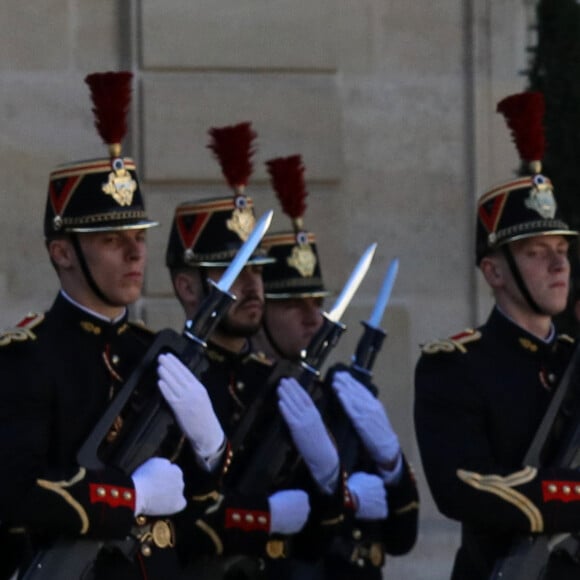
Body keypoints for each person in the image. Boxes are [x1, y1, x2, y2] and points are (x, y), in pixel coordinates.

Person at [0, 71, 191, 580]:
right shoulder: (29, 356)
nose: (135, 252)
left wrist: (216, 447)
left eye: (139, 236)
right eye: (112, 240)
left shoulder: (159, 354)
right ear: (63, 253)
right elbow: (14, 488)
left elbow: (203, 497)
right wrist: (130, 497)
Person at [414, 91, 580, 580]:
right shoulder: (457, 366)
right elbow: (463, 487)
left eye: (561, 249)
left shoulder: (572, 356)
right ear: (495, 272)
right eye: (534, 252)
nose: (557, 263)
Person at [253, 155, 418, 579]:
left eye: (318, 304)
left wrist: (394, 468)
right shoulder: (249, 397)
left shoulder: (340, 397)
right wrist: (344, 498)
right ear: (260, 311)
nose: (313, 318)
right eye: (293, 305)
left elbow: (402, 536)